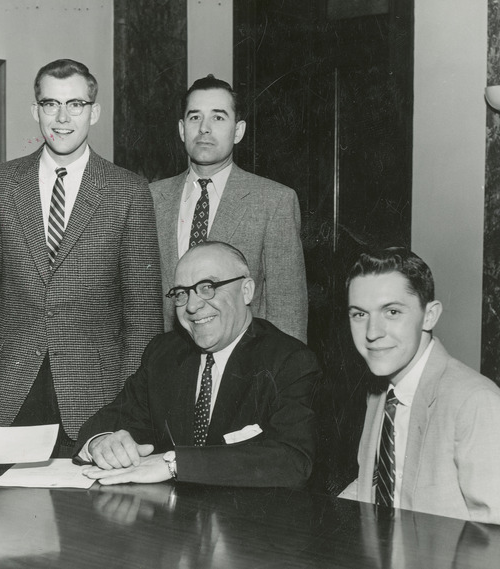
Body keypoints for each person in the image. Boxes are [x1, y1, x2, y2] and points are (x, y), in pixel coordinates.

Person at [0, 59, 162, 457]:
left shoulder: (128, 191)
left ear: (94, 112)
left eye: (76, 105)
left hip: (97, 395)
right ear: (36, 111)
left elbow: (143, 316)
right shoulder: (0, 184)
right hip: (8, 387)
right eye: (51, 104)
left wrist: (130, 401)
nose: (62, 118)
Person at [77, 241, 320, 486]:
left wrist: (176, 464)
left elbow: (293, 460)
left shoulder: (289, 360)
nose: (192, 306)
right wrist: (103, 443)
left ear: (246, 291)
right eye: (182, 293)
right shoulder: (164, 353)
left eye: (208, 287)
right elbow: (108, 422)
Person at [339, 247, 500, 523]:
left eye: (391, 311)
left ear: (430, 316)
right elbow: (375, 487)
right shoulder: (379, 393)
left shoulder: (476, 401)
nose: (372, 333)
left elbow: (494, 531)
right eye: (359, 315)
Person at [150, 75, 307, 342]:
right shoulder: (151, 199)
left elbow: (288, 313)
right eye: (195, 117)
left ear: (238, 131)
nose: (204, 129)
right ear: (181, 129)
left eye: (218, 117)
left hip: (243, 372)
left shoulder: (274, 201)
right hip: (166, 367)